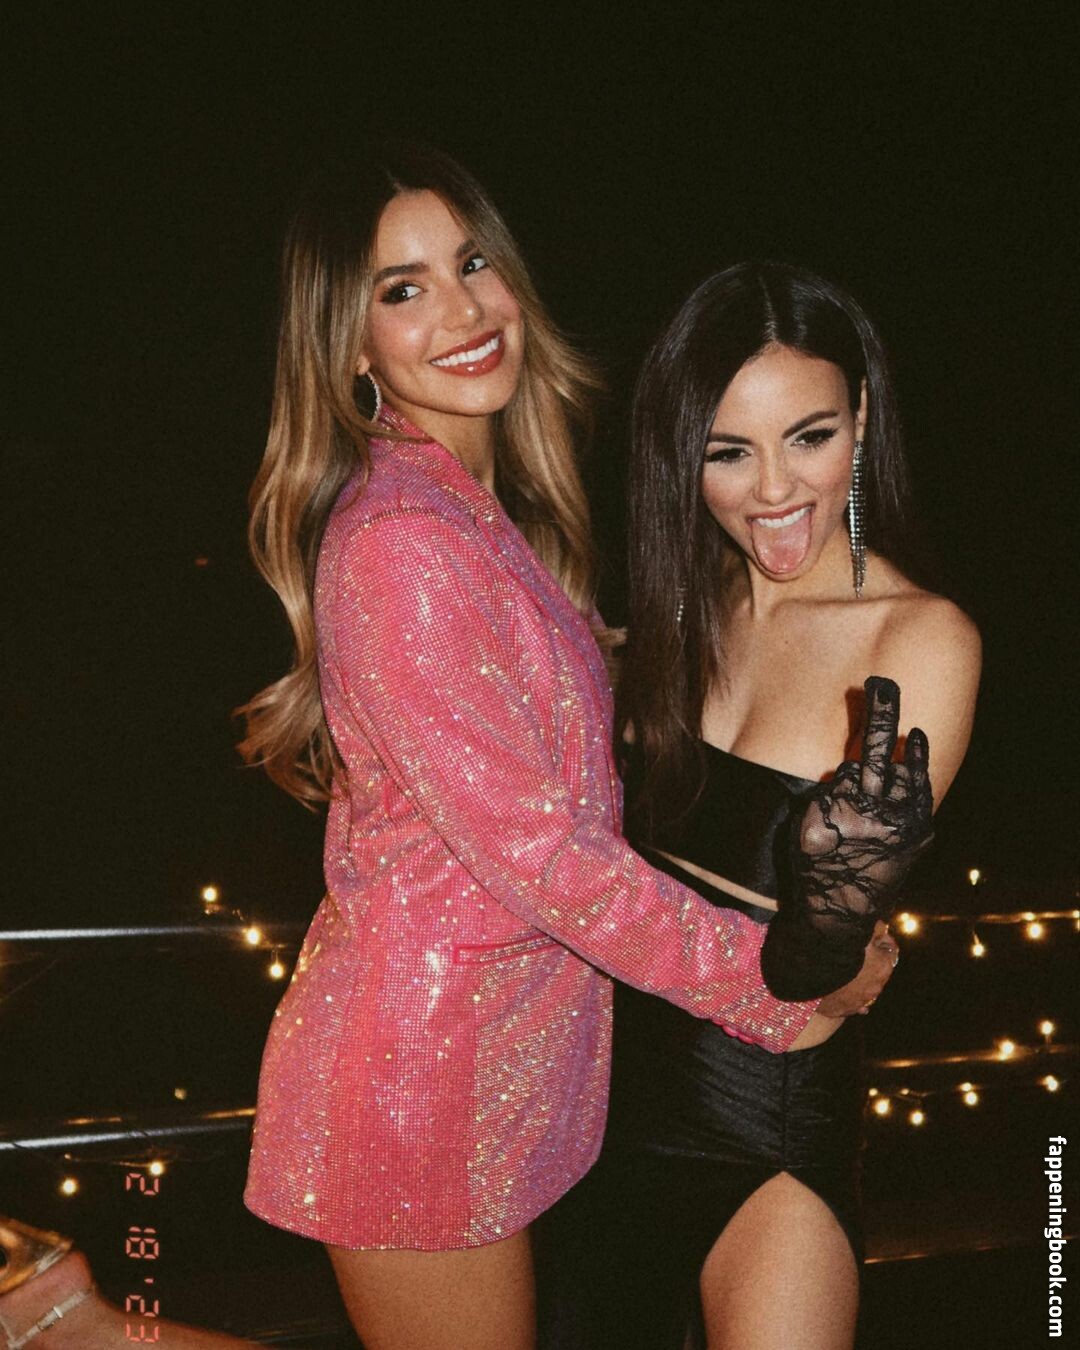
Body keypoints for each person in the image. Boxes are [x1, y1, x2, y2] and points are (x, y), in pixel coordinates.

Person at [0, 157, 896, 1350]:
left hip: (493, 1064)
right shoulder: (402, 543)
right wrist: (777, 982)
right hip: (419, 1081)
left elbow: (540, 730)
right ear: (351, 345)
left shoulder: (478, 513)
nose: (465, 311)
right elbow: (542, 855)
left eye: (472, 264)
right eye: (403, 289)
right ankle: (76, 1334)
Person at [538, 262, 981, 1350]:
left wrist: (835, 900)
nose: (772, 489)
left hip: (767, 1134)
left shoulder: (920, 640)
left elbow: (818, 980)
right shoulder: (675, 619)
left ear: (862, 418)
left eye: (809, 437)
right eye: (726, 451)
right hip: (589, 1124)